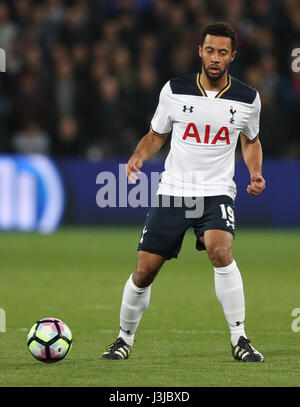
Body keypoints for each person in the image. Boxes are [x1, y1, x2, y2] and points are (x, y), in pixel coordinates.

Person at [102, 22, 266, 362]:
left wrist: (255, 172)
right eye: (210, 50)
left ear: (232, 56)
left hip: (217, 191)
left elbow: (250, 140)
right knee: (145, 270)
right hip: (175, 191)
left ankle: (240, 338)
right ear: (200, 51)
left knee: (220, 251)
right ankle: (123, 339)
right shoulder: (174, 90)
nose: (215, 58)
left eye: (223, 52)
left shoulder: (248, 98)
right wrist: (138, 156)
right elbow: (156, 134)